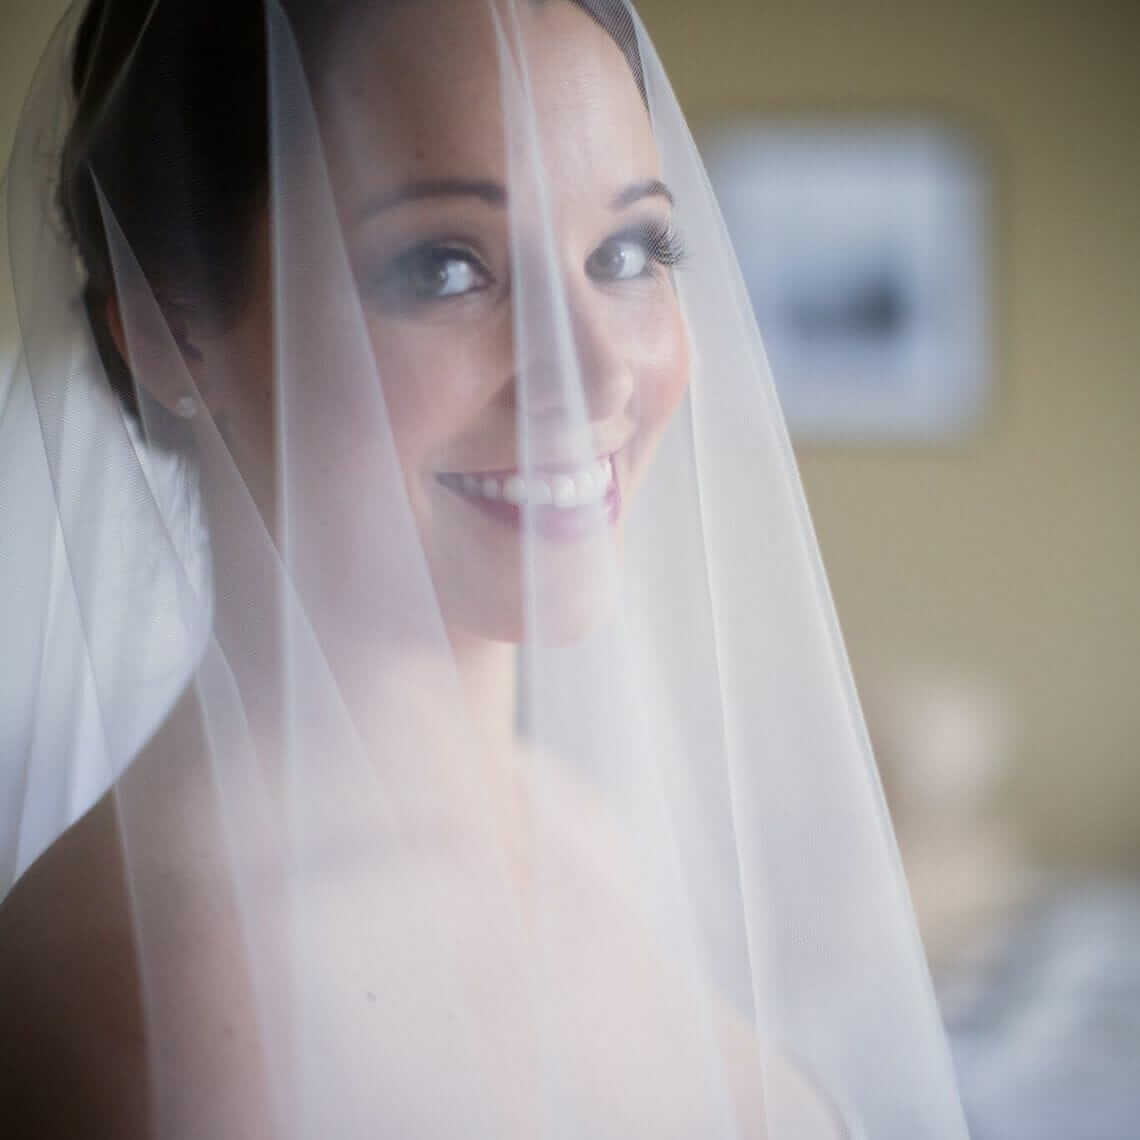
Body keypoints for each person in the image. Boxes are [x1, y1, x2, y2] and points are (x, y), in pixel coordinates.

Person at [0, 0, 969, 1136]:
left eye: (627, 253)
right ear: (166, 330)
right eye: (447, 268)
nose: (594, 374)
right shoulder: (163, 1006)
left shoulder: (576, 826)